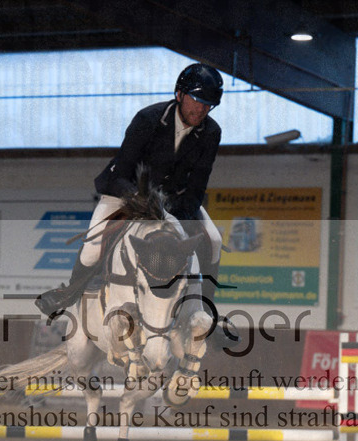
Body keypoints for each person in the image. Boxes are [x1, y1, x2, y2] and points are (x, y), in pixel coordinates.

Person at [36, 62, 231, 344]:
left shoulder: (211, 132)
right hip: (125, 192)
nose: (201, 110)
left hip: (173, 203)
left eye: (208, 105)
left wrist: (174, 215)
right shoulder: (148, 119)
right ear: (180, 94)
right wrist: (146, 205)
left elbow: (198, 185)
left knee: (213, 239)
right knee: (92, 248)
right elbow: (121, 172)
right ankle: (68, 293)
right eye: (197, 101)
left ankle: (208, 315)